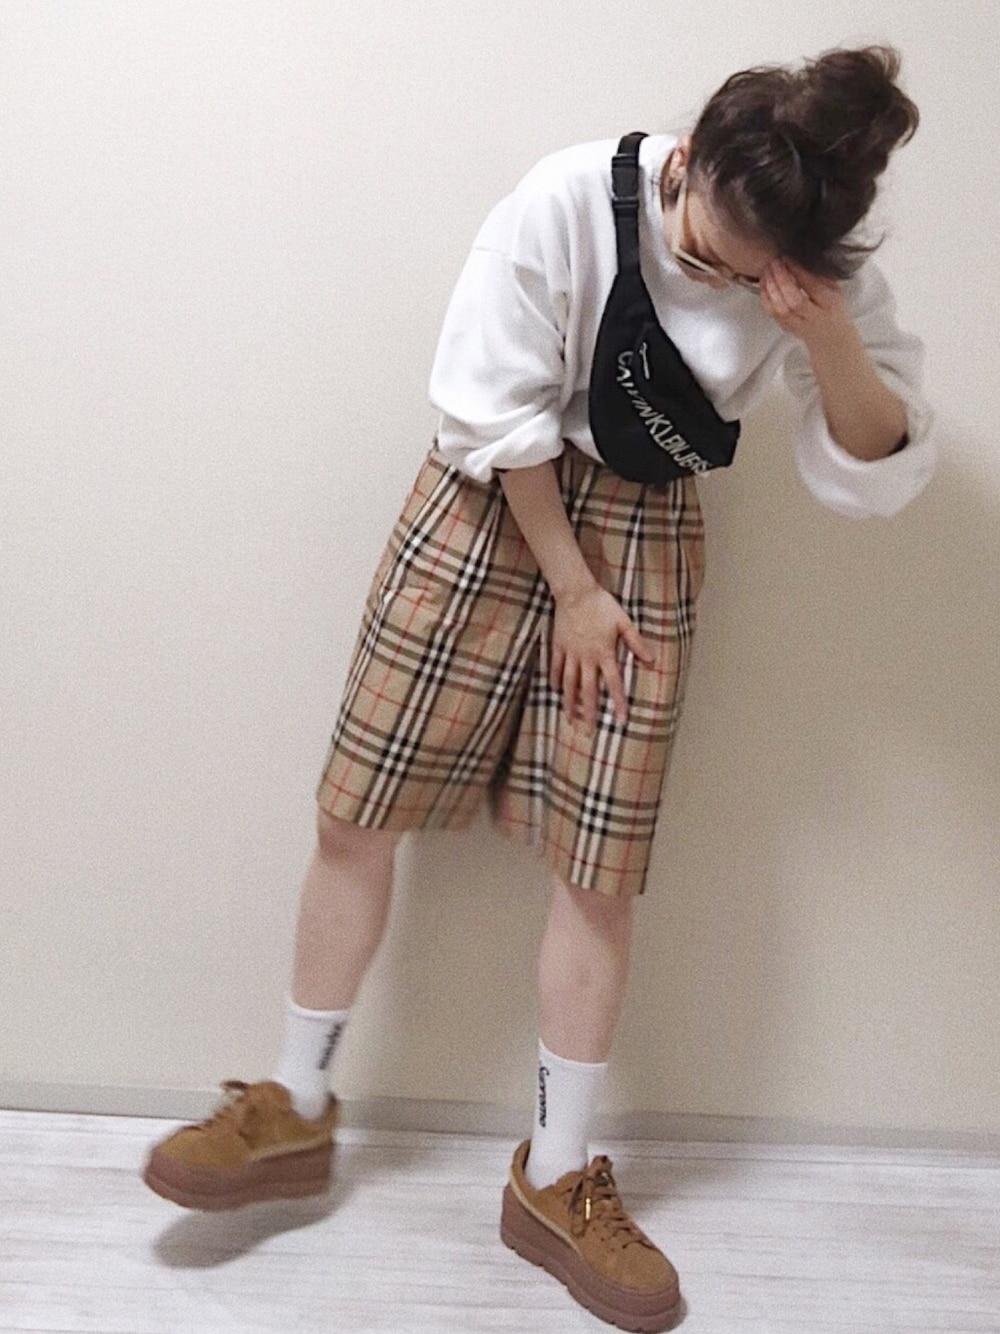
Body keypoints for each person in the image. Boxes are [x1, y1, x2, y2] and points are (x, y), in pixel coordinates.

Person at [143, 45, 934, 1333]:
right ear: (688, 159)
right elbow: (495, 404)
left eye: (752, 276)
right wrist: (570, 585)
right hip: (485, 504)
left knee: (598, 868)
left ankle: (556, 1177)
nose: (724, 281)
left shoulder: (812, 273)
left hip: (649, 531)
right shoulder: (570, 195)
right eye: (710, 251)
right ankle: (295, 1104)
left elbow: (877, 461)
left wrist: (828, 332)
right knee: (357, 808)